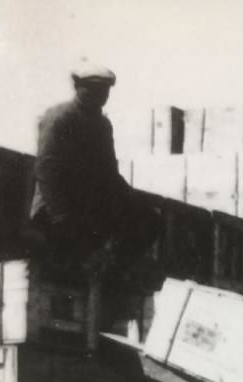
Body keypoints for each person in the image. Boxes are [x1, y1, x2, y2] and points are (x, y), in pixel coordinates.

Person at [31, 62, 162, 289]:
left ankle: (110, 271)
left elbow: (109, 173)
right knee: (71, 267)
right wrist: (61, 218)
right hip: (56, 211)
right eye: (91, 89)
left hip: (87, 208)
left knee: (149, 219)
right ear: (77, 87)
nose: (99, 95)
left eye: (104, 90)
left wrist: (132, 200)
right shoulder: (60, 118)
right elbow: (46, 170)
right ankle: (94, 273)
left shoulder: (102, 125)